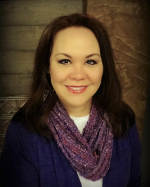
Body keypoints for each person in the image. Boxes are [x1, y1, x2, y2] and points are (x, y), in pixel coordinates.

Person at [0, 13, 141, 187]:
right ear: (47, 67)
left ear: (104, 66)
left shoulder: (123, 120)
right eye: (65, 61)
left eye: (90, 61)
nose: (78, 75)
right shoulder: (23, 131)